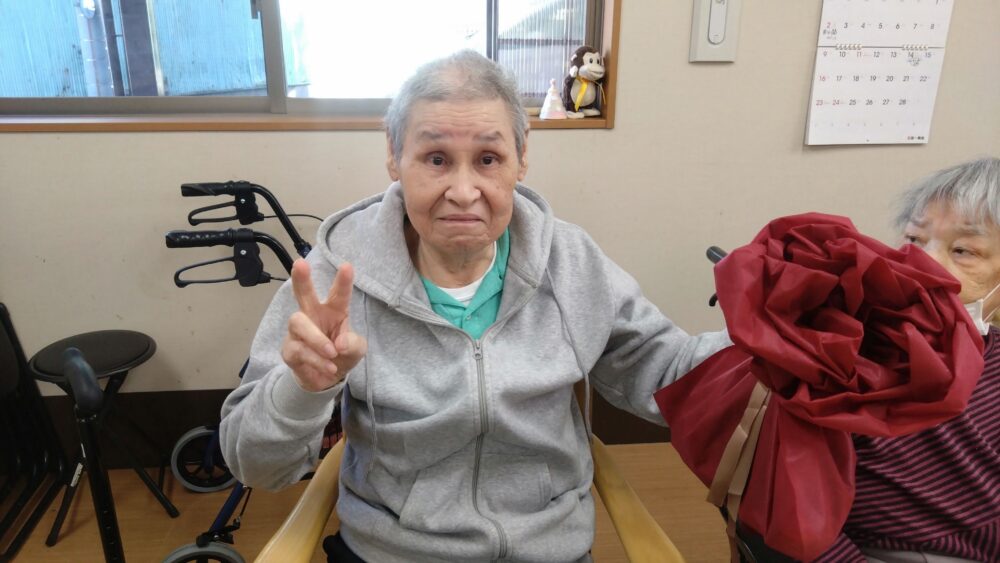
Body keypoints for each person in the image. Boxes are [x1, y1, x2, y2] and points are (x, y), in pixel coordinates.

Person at [218, 49, 730, 563]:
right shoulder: (339, 277)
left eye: (488, 159)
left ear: (521, 158)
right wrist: (303, 390)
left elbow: (670, 371)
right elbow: (253, 464)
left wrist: (761, 341)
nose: (463, 193)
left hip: (548, 550)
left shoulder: (570, 263)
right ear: (394, 156)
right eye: (436, 159)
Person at [816, 157, 1000, 562]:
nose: (923, 264)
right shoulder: (851, 357)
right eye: (914, 240)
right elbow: (800, 510)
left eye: (963, 250)